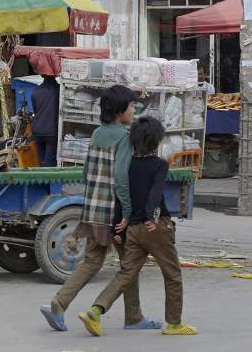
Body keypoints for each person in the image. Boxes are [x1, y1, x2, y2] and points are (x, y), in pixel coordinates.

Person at [39, 85, 160, 333]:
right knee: (130, 263)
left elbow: (86, 172)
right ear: (120, 111)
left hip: (92, 207)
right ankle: (132, 317)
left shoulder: (96, 134)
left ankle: (59, 304)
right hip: (114, 212)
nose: (134, 108)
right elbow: (121, 177)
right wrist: (127, 211)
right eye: (131, 105)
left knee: (92, 262)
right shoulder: (125, 137)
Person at [77, 116, 197, 336]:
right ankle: (174, 324)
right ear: (157, 141)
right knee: (172, 274)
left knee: (125, 274)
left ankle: (95, 311)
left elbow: (122, 196)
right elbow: (155, 194)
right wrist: (152, 217)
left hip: (132, 229)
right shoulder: (160, 165)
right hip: (156, 228)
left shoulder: (128, 166)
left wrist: (116, 229)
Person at [31, 75, 61, 166]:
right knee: (49, 163)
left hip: (37, 130)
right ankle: (47, 179)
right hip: (51, 131)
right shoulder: (59, 90)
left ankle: (42, 178)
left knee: (41, 161)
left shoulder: (35, 91)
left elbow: (36, 111)